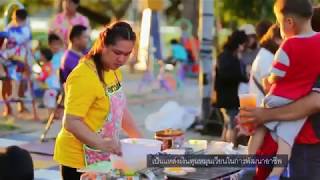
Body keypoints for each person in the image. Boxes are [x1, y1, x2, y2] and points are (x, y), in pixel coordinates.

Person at [241, 0, 320, 179]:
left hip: (283, 102)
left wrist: (268, 81)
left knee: (260, 128)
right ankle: (275, 174)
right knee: (286, 142)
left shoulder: (289, 45)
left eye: (279, 21)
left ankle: (249, 163)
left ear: (289, 22)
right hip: (300, 117)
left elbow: (276, 74)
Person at [54, 21, 143, 180]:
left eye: (127, 54)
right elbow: (71, 121)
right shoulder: (84, 75)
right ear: (103, 45)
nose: (121, 59)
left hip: (102, 157)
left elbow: (120, 110)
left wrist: (141, 141)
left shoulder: (113, 71)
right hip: (78, 161)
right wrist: (103, 144)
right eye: (117, 52)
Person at [215, 30, 248, 145]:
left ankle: (223, 148)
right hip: (228, 97)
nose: (244, 47)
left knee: (228, 123)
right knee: (232, 125)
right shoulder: (227, 56)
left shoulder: (228, 55)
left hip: (228, 97)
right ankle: (230, 149)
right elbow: (226, 75)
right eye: (243, 44)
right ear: (238, 43)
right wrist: (242, 77)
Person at [249, 24, 282, 106]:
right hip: (263, 109)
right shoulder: (267, 57)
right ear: (276, 39)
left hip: (261, 109)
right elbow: (268, 87)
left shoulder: (265, 54)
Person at [36, 48, 60, 118]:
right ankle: (54, 115)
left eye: (40, 55)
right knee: (51, 102)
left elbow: (44, 75)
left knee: (50, 102)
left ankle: (50, 117)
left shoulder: (46, 66)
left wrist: (37, 78)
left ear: (44, 56)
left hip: (50, 88)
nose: (39, 57)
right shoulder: (49, 65)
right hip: (53, 87)